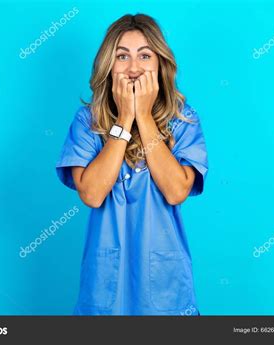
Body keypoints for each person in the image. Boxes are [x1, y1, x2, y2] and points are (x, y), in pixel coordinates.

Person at [56, 13, 208, 315]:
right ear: (108, 65)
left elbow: (177, 191)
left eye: (145, 55)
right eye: (122, 56)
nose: (134, 68)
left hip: (164, 281)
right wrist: (125, 118)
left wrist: (145, 116)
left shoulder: (183, 120)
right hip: (105, 280)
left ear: (160, 63)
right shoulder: (88, 121)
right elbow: (92, 194)